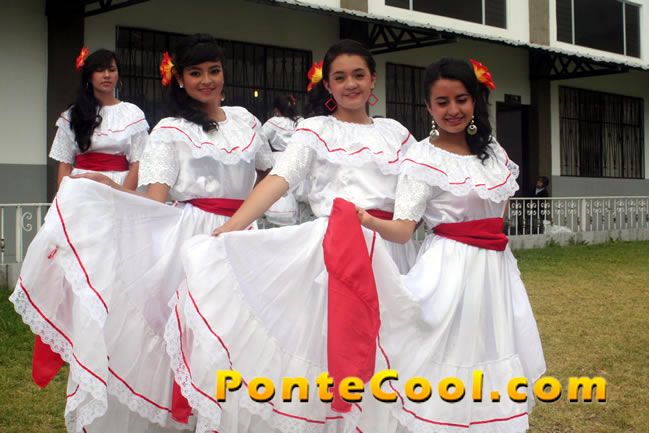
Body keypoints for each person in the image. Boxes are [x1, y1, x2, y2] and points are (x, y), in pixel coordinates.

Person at [10, 34, 272, 433]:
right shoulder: (171, 129)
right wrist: (106, 188)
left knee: (244, 333)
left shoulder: (246, 121)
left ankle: (235, 417)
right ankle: (192, 416)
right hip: (194, 240)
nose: (206, 80)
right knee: (195, 332)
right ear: (179, 78)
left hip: (242, 235)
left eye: (214, 70)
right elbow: (155, 200)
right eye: (195, 73)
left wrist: (248, 213)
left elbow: (269, 173)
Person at [165, 39, 418, 433]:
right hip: (335, 255)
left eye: (358, 75)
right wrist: (231, 227)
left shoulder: (397, 134)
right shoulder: (315, 130)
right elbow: (279, 179)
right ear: (328, 85)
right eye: (340, 77)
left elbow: (421, 187)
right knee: (332, 348)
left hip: (391, 251)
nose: (350, 84)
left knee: (392, 348)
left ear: (373, 80)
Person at [355, 58, 546, 432]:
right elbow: (404, 228)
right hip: (449, 269)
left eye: (461, 99)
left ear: (474, 100)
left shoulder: (493, 152)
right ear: (428, 107)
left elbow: (500, 205)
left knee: (488, 348)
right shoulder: (422, 157)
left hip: (495, 269)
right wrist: (368, 221)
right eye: (442, 102)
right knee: (444, 353)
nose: (453, 110)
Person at [49, 48, 148, 190]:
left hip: (120, 185)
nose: (107, 75)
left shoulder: (132, 114)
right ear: (89, 76)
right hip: (80, 186)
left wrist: (123, 195)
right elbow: (65, 164)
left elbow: (138, 162)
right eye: (100, 70)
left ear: (118, 75)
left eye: (112, 70)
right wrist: (63, 196)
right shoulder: (73, 114)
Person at [262, 94, 302, 225]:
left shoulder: (274, 122)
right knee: (296, 192)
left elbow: (260, 139)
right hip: (298, 159)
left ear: (276, 110)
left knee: (279, 190)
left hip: (278, 159)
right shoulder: (301, 121)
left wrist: (266, 156)